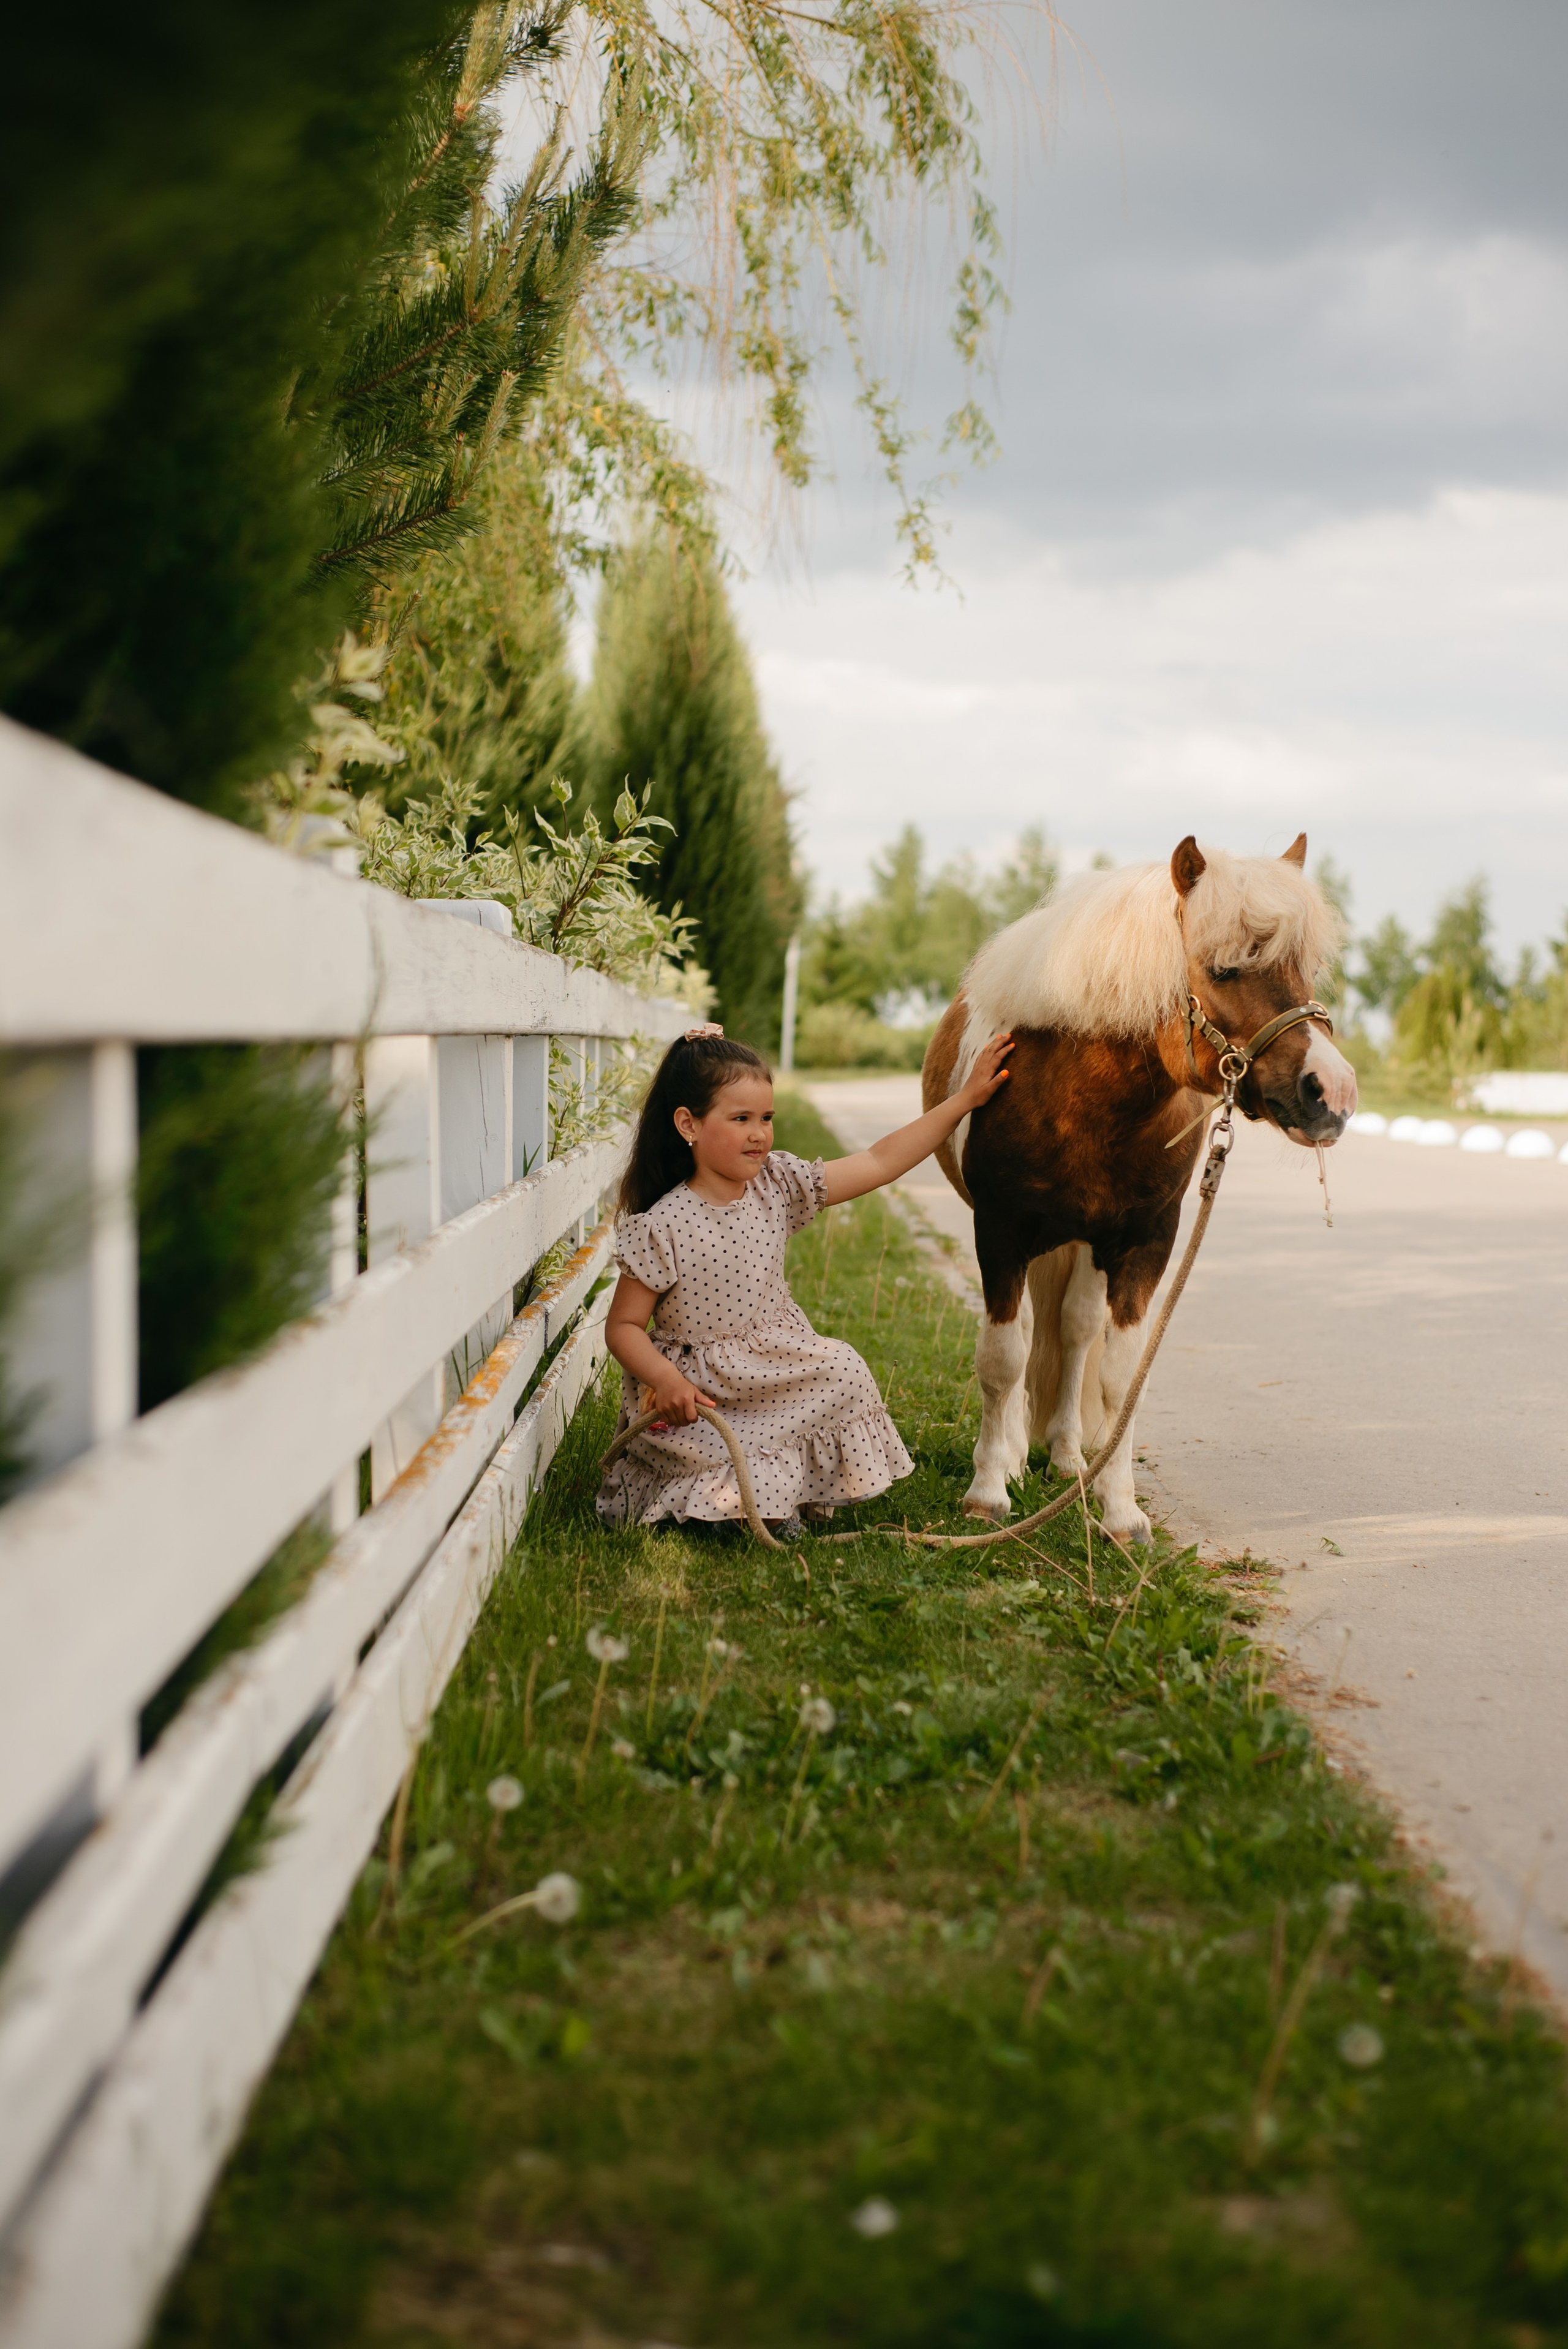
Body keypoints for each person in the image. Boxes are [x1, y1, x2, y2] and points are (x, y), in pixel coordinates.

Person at [596, 1020, 1014, 1537]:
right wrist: (665, 1379)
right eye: (741, 1118)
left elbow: (878, 1160)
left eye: (766, 1118)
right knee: (721, 1462)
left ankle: (764, 1500)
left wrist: (963, 1101)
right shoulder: (663, 1225)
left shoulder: (776, 1184)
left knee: (844, 1368)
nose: (760, 1133)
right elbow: (623, 1327)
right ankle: (741, 1507)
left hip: (772, 1370)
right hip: (700, 1394)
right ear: (689, 1124)